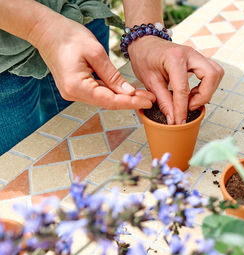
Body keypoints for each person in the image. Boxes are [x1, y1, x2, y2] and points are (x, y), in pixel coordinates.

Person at [0, 0, 224, 155]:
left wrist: (145, 33)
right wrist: (42, 29)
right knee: (17, 170)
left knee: (85, 141)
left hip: (84, 18)